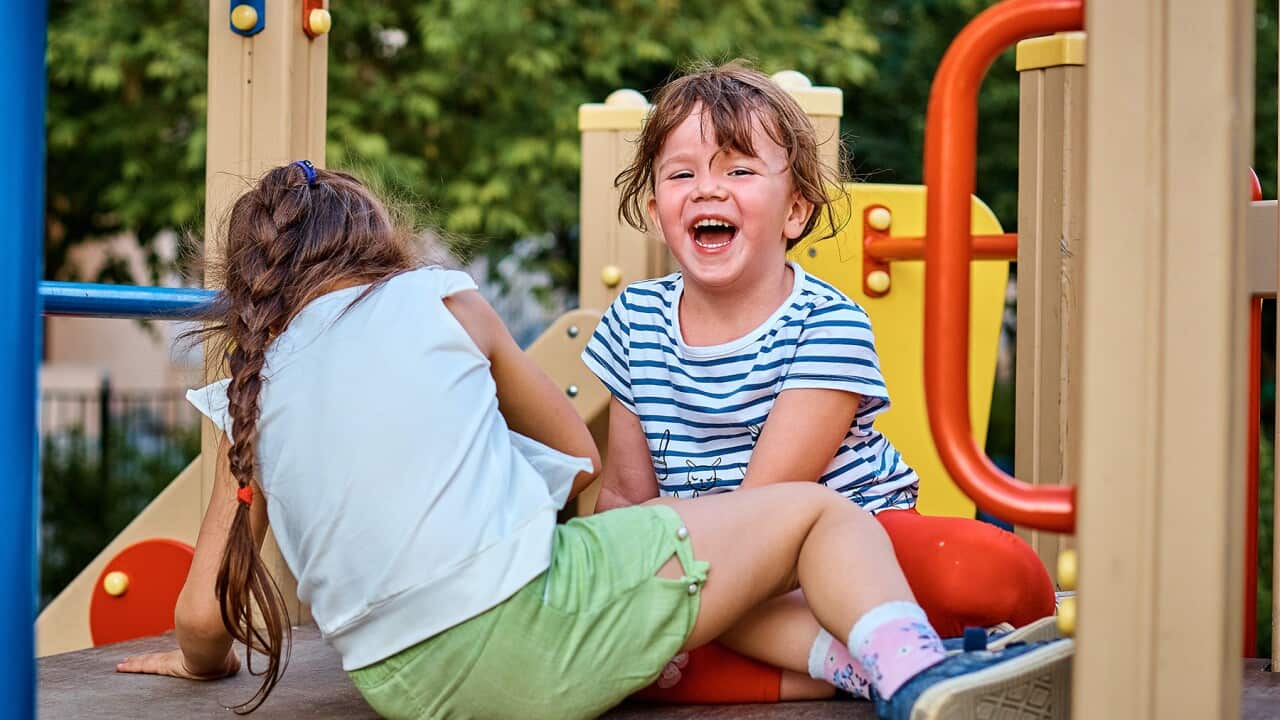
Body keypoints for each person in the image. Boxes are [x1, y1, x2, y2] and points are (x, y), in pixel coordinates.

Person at [115, 161, 1070, 720]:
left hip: (404, 690)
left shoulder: (252, 386)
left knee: (682, 591)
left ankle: (843, 666)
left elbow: (202, 617)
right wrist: (604, 540)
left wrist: (195, 665)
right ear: (380, 244)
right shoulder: (437, 299)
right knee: (820, 517)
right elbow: (572, 442)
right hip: (525, 633)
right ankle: (919, 682)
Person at [582, 61, 1057, 704]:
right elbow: (624, 499)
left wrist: (673, 607)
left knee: (993, 575)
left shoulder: (825, 322)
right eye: (681, 173)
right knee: (605, 647)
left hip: (851, 548)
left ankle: (848, 645)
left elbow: (768, 508)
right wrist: (630, 586)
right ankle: (873, 666)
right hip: (716, 572)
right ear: (655, 206)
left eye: (739, 170)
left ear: (796, 210)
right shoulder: (635, 321)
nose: (706, 189)